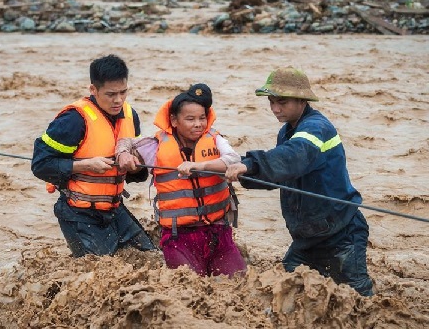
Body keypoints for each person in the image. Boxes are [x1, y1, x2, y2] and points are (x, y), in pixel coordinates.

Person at [225, 68, 373, 296]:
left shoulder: (316, 128)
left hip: (341, 234)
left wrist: (251, 165)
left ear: (302, 100)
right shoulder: (287, 132)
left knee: (358, 300)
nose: (275, 109)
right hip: (308, 238)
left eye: (282, 102)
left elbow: (292, 157)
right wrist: (243, 173)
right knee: (286, 291)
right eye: (272, 102)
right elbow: (279, 174)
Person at [32, 54, 155, 257]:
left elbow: (137, 176)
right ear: (93, 90)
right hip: (78, 213)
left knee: (151, 259)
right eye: (110, 94)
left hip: (114, 209)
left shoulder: (130, 115)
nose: (118, 100)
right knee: (101, 273)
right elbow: (41, 165)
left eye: (123, 92)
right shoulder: (73, 120)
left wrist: (136, 166)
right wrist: (86, 165)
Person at [117, 83, 245, 276]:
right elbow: (125, 142)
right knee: (188, 287)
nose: (198, 124)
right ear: (174, 121)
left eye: (202, 118)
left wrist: (200, 166)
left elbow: (234, 160)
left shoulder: (216, 139)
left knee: (238, 283)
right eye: (190, 119)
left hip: (218, 233)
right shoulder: (157, 146)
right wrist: (123, 155)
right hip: (179, 237)